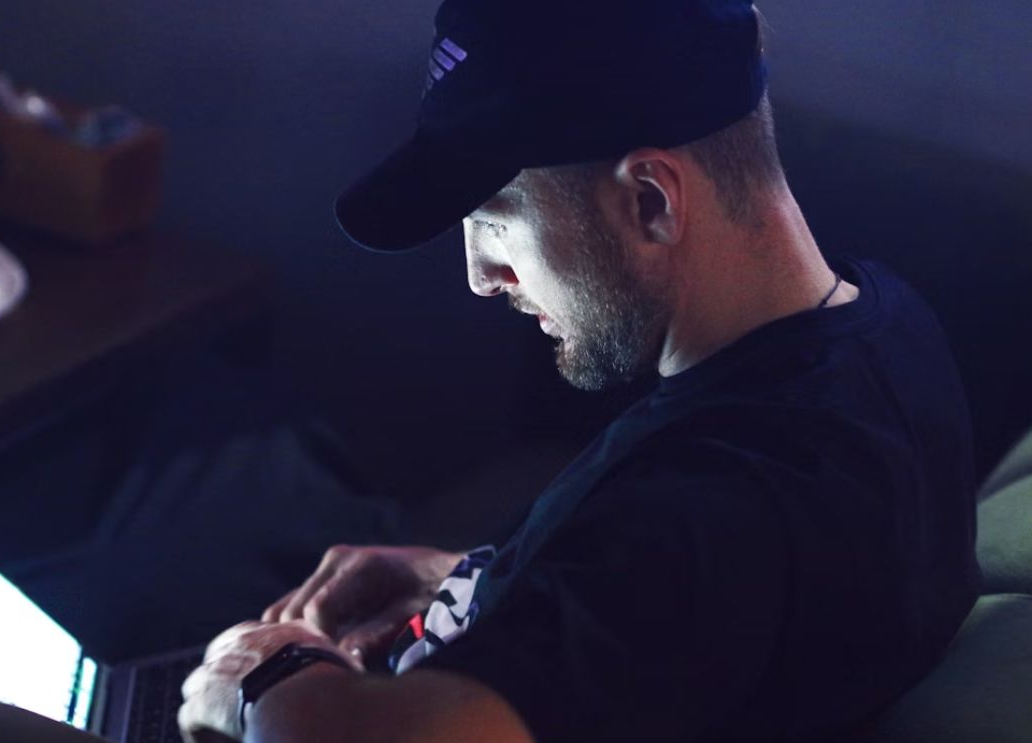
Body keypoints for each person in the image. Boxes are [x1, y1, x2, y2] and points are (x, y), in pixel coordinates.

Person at [178, 1, 980, 741]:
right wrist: (476, 578)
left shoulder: (716, 508)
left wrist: (265, 676)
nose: (480, 275)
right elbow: (679, 623)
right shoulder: (883, 330)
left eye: (497, 219)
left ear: (650, 203)